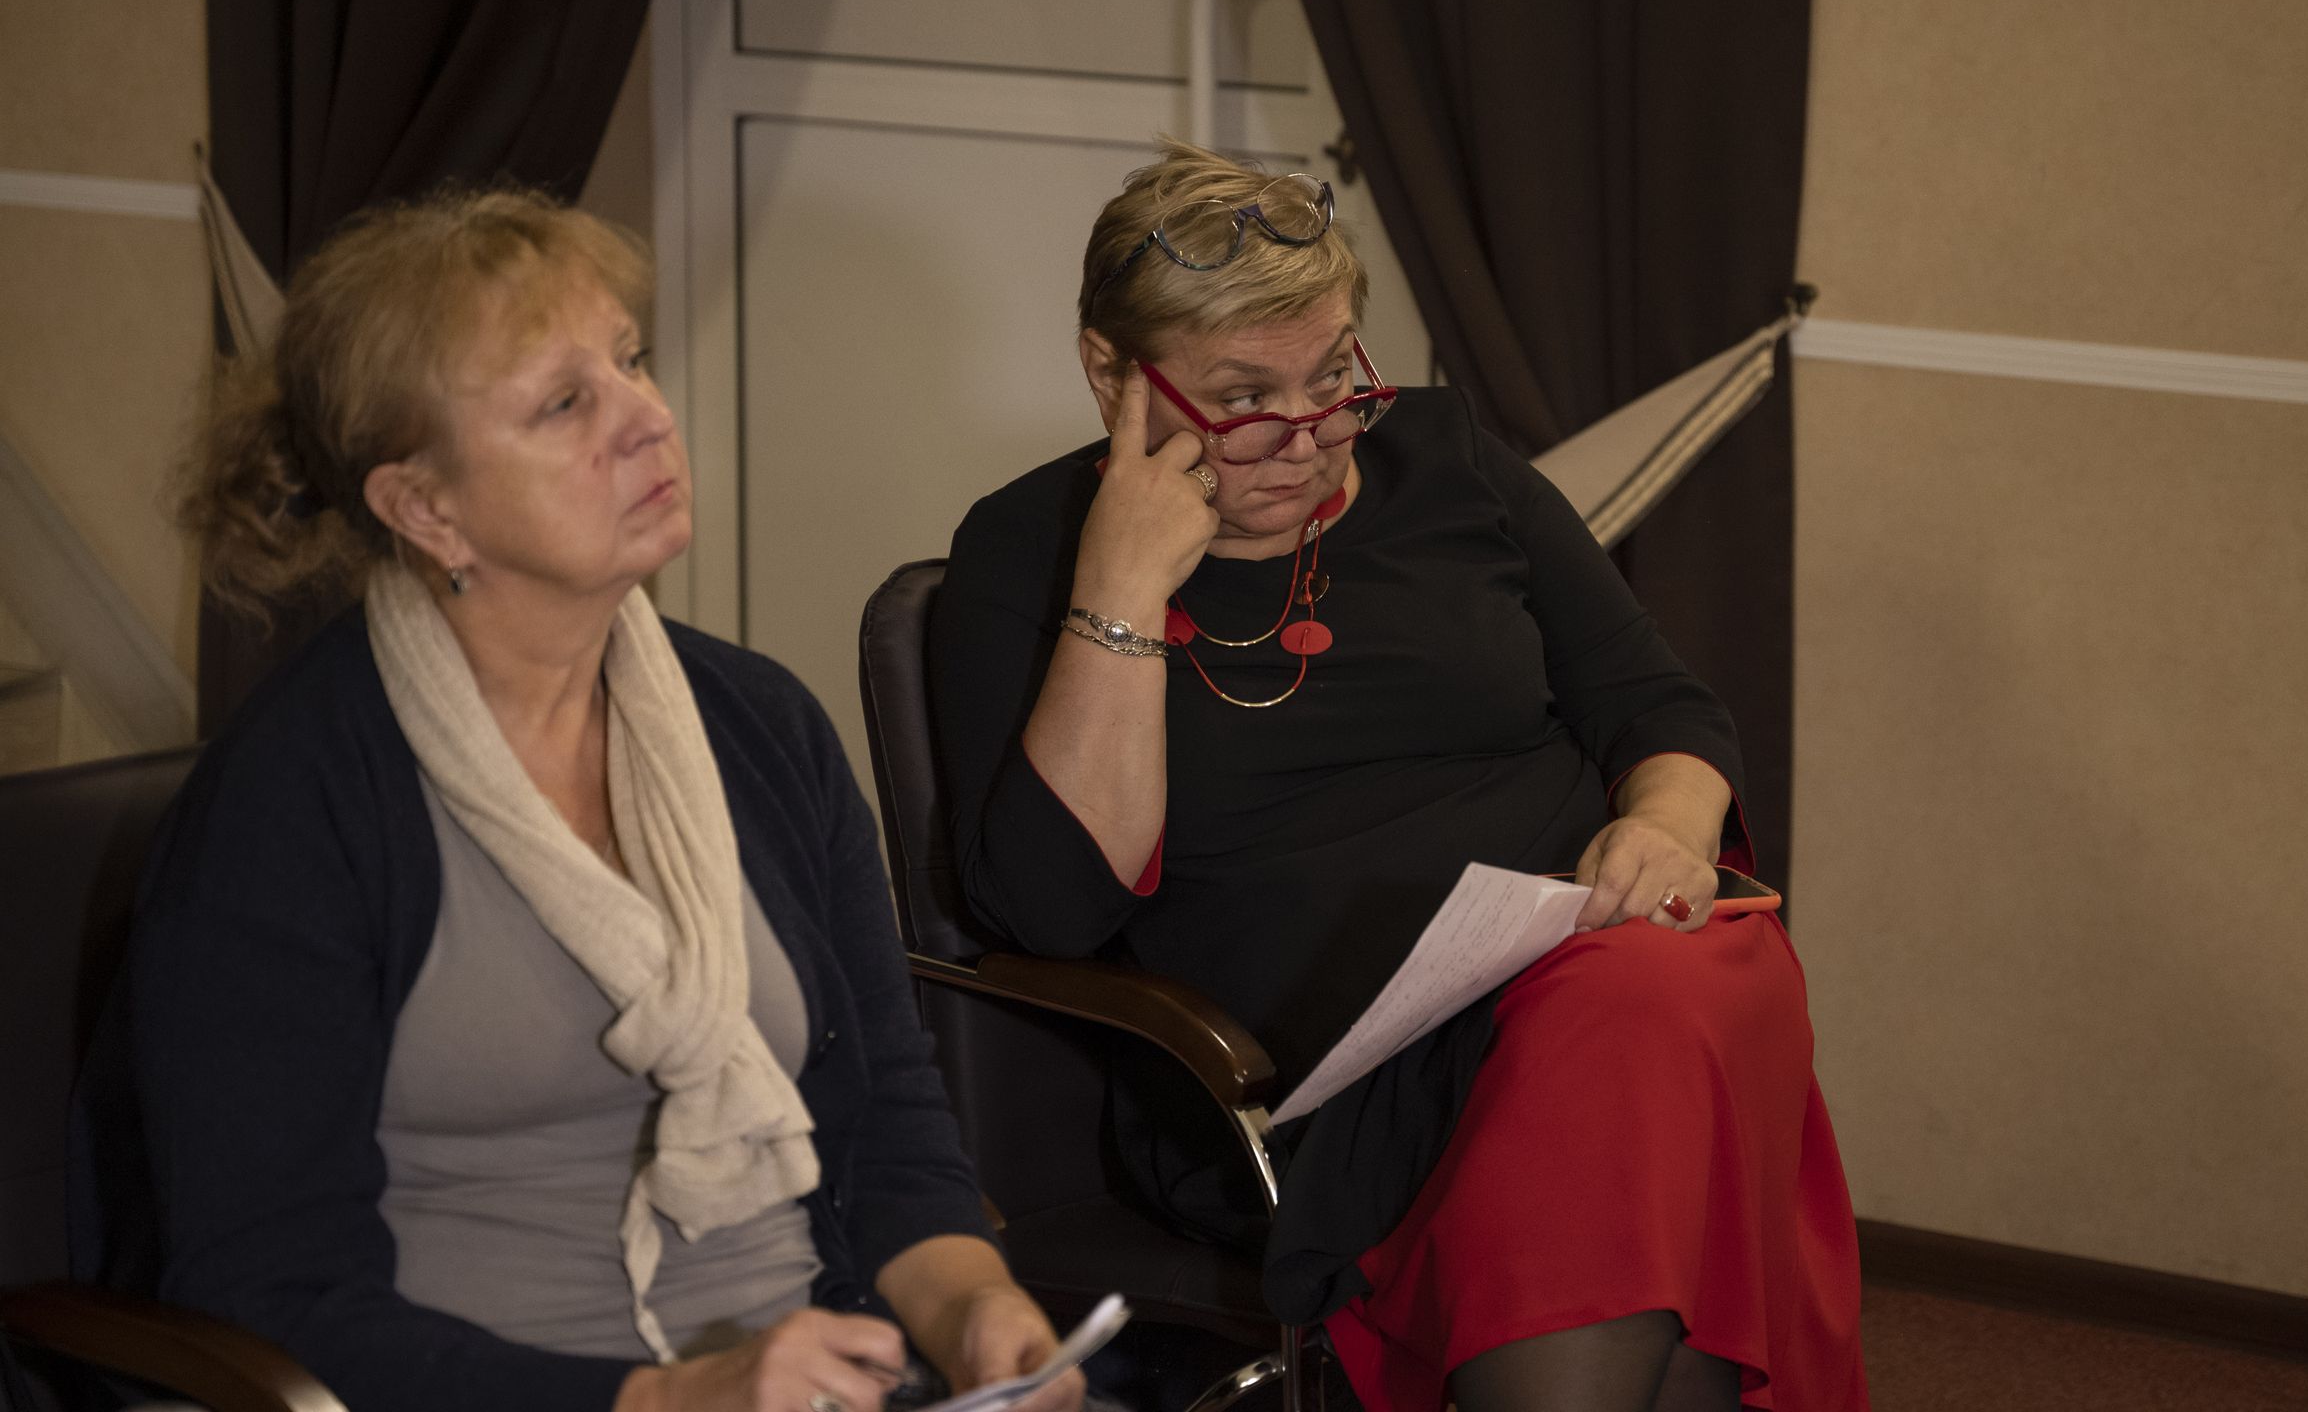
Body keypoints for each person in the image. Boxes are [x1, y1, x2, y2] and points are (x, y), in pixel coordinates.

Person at [70, 188, 1084, 1412]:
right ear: (424, 507)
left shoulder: (762, 725)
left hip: (815, 1379)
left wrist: (976, 1316)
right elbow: (269, 1296)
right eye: (564, 403)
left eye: (630, 360)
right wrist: (670, 1398)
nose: (648, 417)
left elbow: (888, 1133)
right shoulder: (289, 803)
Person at [931, 142, 1869, 1412]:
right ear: (1111, 373)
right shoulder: (1025, 550)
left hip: (1589, 965)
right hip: (1317, 1086)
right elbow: (1049, 909)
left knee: (1664, 992)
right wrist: (1122, 587)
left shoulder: (1449, 460)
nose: (1306, 440)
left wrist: (1666, 825)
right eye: (1245, 399)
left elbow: (1662, 709)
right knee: (1647, 1054)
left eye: (1333, 379)